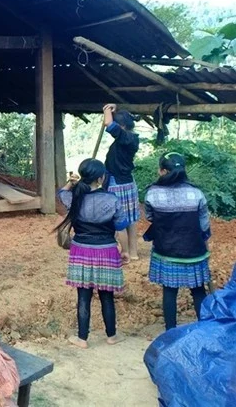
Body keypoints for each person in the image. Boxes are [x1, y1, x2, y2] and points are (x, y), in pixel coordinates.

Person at [56, 158, 130, 348]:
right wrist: (126, 250)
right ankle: (111, 336)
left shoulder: (75, 198)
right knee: (107, 295)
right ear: (101, 177)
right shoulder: (112, 200)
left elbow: (61, 193)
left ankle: (82, 338)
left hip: (81, 250)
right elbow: (121, 227)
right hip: (106, 250)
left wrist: (71, 182)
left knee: (83, 295)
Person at [144, 152, 212, 331]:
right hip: (193, 250)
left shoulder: (152, 193)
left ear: (163, 171)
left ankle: (171, 330)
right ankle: (205, 328)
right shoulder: (196, 193)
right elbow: (204, 224)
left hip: (166, 251)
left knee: (169, 291)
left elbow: (151, 217)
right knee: (198, 290)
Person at [102, 104, 141, 260]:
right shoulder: (131, 137)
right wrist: (115, 109)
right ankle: (133, 252)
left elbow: (109, 125)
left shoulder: (125, 138)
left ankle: (124, 252)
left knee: (119, 220)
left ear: (122, 126)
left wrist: (106, 110)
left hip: (117, 183)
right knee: (130, 219)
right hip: (127, 183)